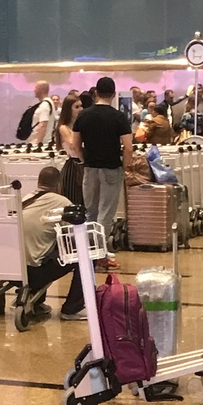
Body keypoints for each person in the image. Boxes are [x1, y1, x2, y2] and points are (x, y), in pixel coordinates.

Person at [72, 76, 132, 265]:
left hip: (90, 169)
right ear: (113, 94)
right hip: (111, 169)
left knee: (90, 212)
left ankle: (90, 253)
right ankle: (100, 255)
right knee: (106, 213)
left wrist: (84, 160)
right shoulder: (119, 117)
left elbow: (75, 144)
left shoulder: (84, 115)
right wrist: (125, 167)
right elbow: (128, 148)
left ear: (96, 93)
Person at [22, 166, 86, 321]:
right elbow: (75, 236)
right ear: (59, 184)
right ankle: (72, 308)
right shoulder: (62, 202)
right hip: (35, 273)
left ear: (38, 182)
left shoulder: (25, 199)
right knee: (86, 256)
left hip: (15, 272)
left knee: (41, 244)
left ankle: (37, 303)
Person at [55, 94, 84, 206]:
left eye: (81, 106)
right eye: (76, 107)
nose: (80, 109)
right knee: (73, 200)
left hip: (82, 165)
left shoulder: (80, 125)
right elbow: (73, 145)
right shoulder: (64, 128)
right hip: (73, 167)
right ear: (69, 110)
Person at [28, 80, 55, 146]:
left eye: (36, 88)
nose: (34, 90)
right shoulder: (47, 103)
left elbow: (43, 125)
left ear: (41, 89)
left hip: (41, 143)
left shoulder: (45, 105)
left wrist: (38, 144)